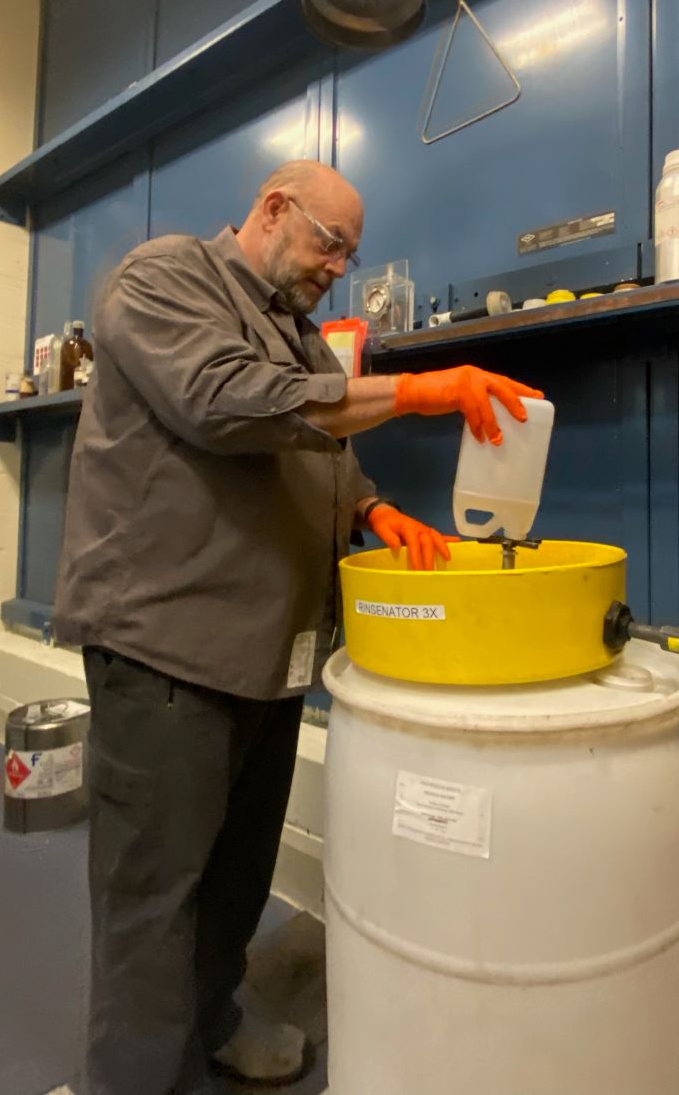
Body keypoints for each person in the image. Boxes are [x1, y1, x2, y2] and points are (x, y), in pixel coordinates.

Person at [52, 160, 541, 1095]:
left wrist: (374, 511)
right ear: (274, 209)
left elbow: (319, 449)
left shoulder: (305, 342)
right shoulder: (163, 280)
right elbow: (224, 403)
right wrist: (419, 390)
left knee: (236, 875)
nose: (338, 268)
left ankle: (212, 1021)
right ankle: (133, 1079)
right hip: (163, 649)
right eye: (330, 242)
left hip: (266, 656)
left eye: (351, 255)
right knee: (153, 896)